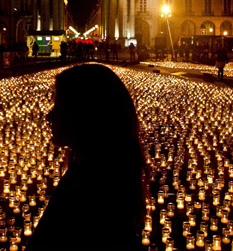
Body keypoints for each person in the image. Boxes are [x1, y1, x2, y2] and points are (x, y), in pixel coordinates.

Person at [26, 64, 146, 251]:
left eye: (59, 107)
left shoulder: (88, 195)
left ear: (85, 115)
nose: (49, 117)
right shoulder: (110, 181)